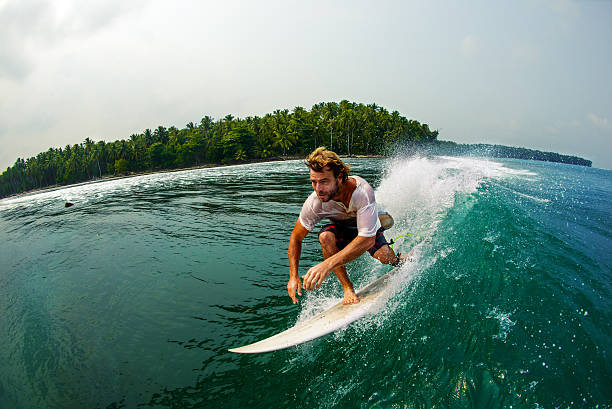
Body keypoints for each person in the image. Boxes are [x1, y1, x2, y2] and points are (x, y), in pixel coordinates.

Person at [287, 147, 403, 305]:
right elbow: (296, 237)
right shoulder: (315, 202)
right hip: (341, 227)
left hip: (364, 232)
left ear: (340, 177)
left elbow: (367, 240)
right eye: (313, 182)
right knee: (325, 237)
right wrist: (293, 276)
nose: (318, 189)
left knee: (385, 257)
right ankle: (348, 288)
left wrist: (327, 265)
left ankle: (397, 257)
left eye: (324, 181)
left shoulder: (362, 192)